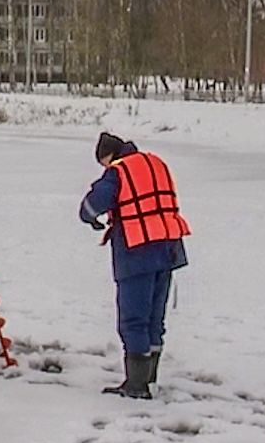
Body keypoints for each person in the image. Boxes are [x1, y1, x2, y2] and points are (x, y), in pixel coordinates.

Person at [79, 131, 190, 399]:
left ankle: (136, 386)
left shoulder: (118, 170)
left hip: (138, 247)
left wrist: (91, 217)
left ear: (108, 157)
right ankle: (149, 378)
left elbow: (92, 206)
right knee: (154, 318)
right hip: (169, 246)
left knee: (133, 319)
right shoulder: (155, 162)